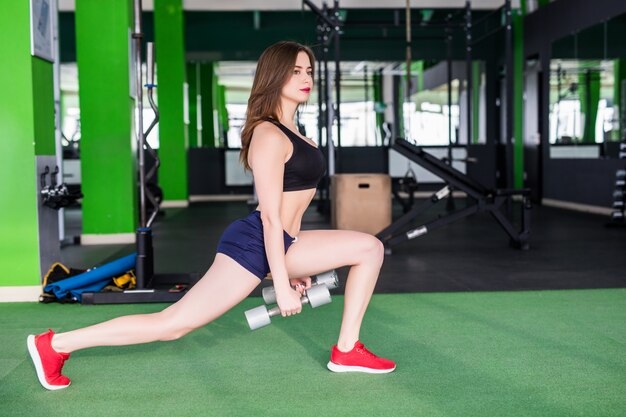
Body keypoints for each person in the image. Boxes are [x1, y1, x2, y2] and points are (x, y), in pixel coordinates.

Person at [27, 41, 395, 391]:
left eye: (309, 71)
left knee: (369, 248)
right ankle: (56, 344)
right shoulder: (268, 134)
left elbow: (289, 219)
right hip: (255, 243)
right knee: (172, 325)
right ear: (274, 77)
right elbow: (270, 217)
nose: (306, 79)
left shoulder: (293, 131)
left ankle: (347, 350)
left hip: (286, 241)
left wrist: (295, 268)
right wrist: (281, 283)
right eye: (295, 71)